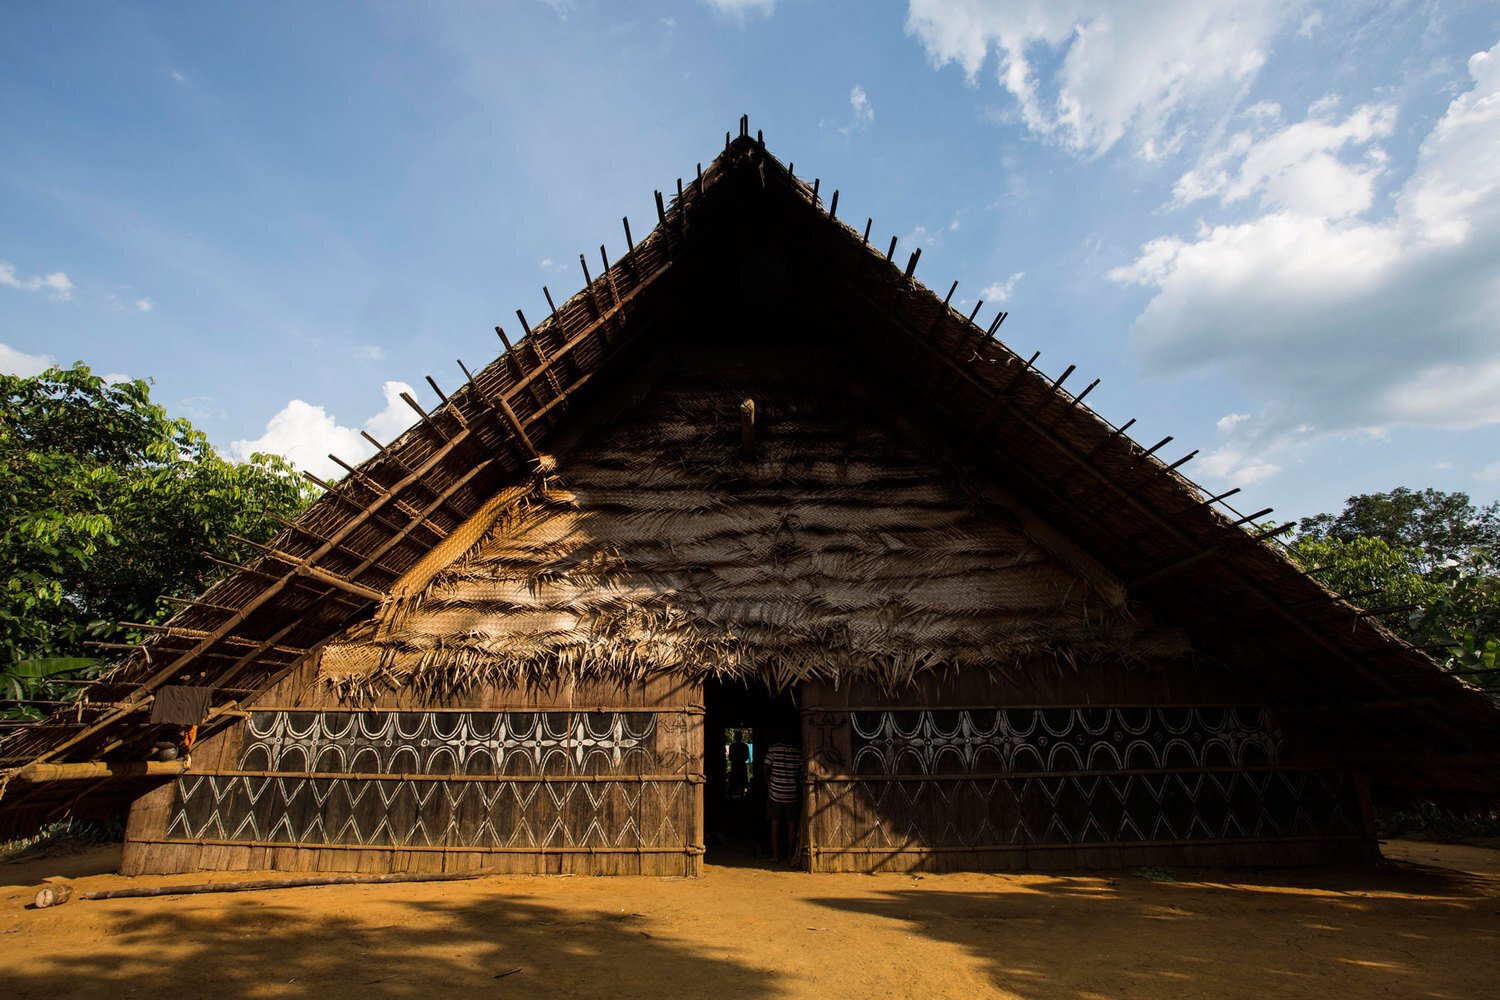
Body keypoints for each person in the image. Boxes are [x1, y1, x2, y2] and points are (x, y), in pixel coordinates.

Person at [761, 728, 801, 863]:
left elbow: (766, 766)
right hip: (792, 793)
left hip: (775, 793)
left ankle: (775, 855)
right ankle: (790, 855)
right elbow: (801, 771)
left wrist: (768, 781)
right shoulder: (798, 751)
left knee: (775, 823)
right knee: (791, 825)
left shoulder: (774, 749)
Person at [728, 732, 750, 798]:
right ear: (741, 737)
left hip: (734, 766)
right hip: (742, 766)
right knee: (742, 782)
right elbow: (746, 757)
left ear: (735, 737)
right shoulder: (745, 746)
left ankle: (730, 796)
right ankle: (742, 796)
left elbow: (730, 757)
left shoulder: (732, 746)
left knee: (733, 782)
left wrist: (735, 760)